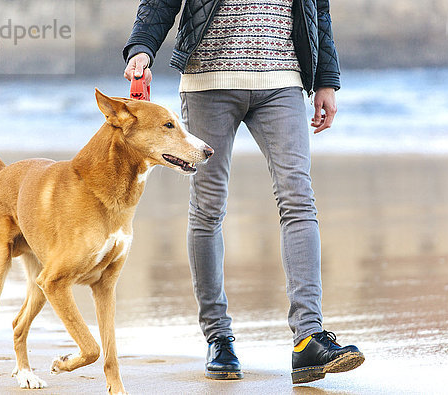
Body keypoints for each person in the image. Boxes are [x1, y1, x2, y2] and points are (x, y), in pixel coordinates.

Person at [123, 0, 364, 384]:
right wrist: (142, 48)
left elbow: (317, 9)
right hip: (208, 79)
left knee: (299, 199)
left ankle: (309, 338)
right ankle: (218, 337)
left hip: (283, 77)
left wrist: (325, 79)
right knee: (207, 207)